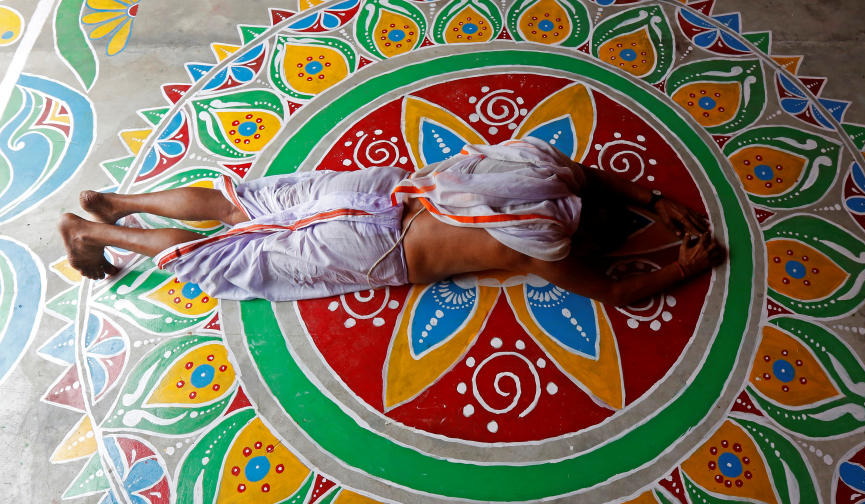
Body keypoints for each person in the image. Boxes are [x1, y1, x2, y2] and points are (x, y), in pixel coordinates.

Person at [59, 137, 724, 306]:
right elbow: (613, 290)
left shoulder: (540, 166)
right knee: (224, 257)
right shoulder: (543, 244)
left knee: (243, 205)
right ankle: (101, 235)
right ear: (585, 229)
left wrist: (654, 200)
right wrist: (686, 265)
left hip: (387, 191)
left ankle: (119, 202)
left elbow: (592, 177)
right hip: (377, 246)